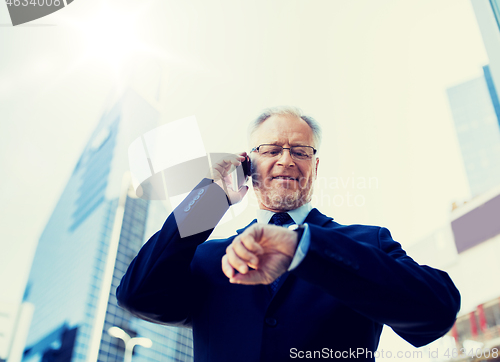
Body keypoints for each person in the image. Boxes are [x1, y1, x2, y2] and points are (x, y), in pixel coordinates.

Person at [117, 106, 460, 362]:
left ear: (316, 166)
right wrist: (209, 199)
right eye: (271, 150)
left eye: (300, 151)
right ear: (247, 164)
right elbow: (138, 295)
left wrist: (303, 249)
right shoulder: (208, 259)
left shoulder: (367, 243)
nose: (286, 160)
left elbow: (438, 311)